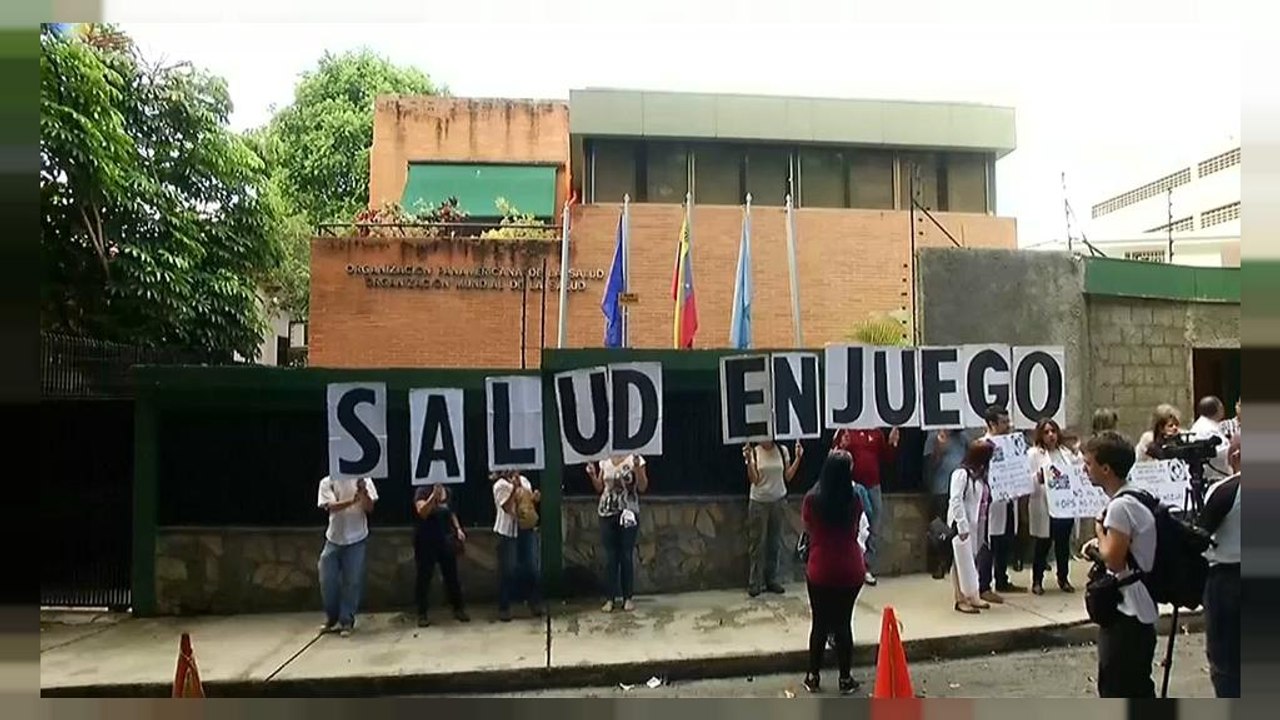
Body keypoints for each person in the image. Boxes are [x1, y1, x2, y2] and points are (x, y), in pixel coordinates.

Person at [1081, 431, 1157, 698]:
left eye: (1089, 463)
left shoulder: (1120, 507)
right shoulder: (1137, 495)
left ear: (1106, 469)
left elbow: (1113, 560)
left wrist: (1099, 531)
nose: (1084, 469)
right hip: (1139, 609)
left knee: (1119, 688)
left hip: (1128, 613)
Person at [800, 450, 866, 695]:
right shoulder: (855, 500)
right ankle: (845, 678)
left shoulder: (812, 501)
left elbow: (808, 528)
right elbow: (856, 528)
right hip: (850, 568)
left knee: (819, 623)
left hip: (821, 568)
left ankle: (813, 676)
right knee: (843, 624)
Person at [1196, 435, 1240, 698]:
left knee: (1227, 662)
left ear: (1235, 457)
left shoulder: (1225, 490)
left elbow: (1200, 536)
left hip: (1228, 580)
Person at [831, 426, 900, 585]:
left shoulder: (876, 432)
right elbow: (835, 456)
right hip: (853, 485)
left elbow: (887, 458)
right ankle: (849, 566)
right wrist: (842, 444)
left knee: (874, 525)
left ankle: (866, 567)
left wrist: (892, 444)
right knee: (852, 526)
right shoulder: (847, 429)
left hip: (874, 485)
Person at [587, 453, 649, 612]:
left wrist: (637, 468)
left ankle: (628, 597)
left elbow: (642, 487)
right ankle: (610, 598)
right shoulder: (605, 459)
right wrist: (593, 475)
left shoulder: (635, 458)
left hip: (628, 511)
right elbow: (600, 487)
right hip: (607, 512)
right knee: (610, 556)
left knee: (626, 554)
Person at [316, 474, 377, 637]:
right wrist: (353, 500)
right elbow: (331, 507)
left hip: (356, 538)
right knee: (327, 580)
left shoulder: (364, 479)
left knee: (352, 581)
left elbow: (369, 508)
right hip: (334, 538)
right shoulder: (328, 481)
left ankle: (346, 620)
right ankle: (332, 617)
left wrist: (364, 493)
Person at [743, 439, 803, 597]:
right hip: (759, 502)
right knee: (757, 543)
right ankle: (755, 582)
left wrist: (798, 458)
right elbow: (754, 479)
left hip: (778, 500)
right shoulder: (755, 451)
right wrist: (749, 461)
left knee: (775, 542)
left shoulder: (782, 450)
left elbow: (788, 476)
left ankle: (772, 579)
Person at [977, 405, 1025, 602]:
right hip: (990, 502)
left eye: (1008, 421)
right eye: (1003, 422)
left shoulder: (1011, 443)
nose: (1008, 426)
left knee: (1005, 540)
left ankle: (1002, 579)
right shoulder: (982, 445)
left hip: (1008, 498)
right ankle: (984, 585)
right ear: (992, 424)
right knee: (989, 543)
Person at [1027, 418, 1077, 595]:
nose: (1050, 435)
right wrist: (1038, 478)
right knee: (1042, 545)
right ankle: (1037, 580)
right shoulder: (1034, 454)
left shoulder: (1066, 453)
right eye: (1046, 432)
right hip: (1045, 505)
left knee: (1063, 545)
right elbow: (1027, 480)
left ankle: (1063, 578)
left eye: (1053, 431)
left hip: (1064, 506)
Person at [412, 483, 469, 627]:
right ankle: (422, 613)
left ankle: (458, 608)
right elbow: (422, 512)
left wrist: (458, 529)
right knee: (424, 577)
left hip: (445, 538)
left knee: (452, 576)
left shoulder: (448, 491)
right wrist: (433, 497)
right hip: (425, 540)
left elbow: (451, 512)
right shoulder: (422, 490)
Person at [948, 440, 995, 614]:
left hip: (977, 523)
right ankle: (960, 599)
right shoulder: (961, 474)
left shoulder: (980, 476)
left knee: (972, 559)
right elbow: (956, 500)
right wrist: (962, 525)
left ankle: (972, 595)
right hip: (962, 525)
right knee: (960, 562)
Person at [492, 470, 544, 621]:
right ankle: (504, 606)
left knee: (532, 567)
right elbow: (507, 508)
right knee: (508, 569)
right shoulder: (500, 485)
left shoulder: (525, 481)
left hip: (526, 529)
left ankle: (535, 602)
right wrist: (514, 489)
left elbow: (528, 504)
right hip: (508, 531)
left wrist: (534, 498)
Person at [924, 428, 970, 576]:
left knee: (956, 529)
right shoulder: (934, 436)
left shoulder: (963, 437)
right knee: (939, 529)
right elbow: (929, 467)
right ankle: (937, 564)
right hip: (941, 489)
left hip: (961, 490)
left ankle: (952, 563)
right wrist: (939, 448)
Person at [1191, 396, 1232, 481]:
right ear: (1219, 409)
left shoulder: (1207, 424)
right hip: (1213, 476)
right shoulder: (1207, 428)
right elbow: (1221, 452)